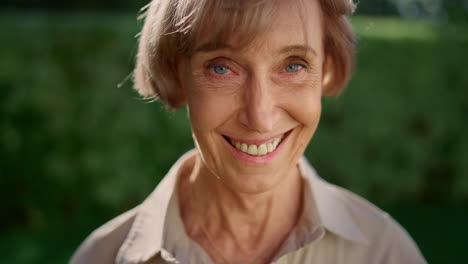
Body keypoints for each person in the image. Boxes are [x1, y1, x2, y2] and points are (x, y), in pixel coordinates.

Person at [70, 0, 427, 263]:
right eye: (222, 69)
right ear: (176, 74)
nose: (260, 117)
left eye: (293, 65)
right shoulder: (102, 257)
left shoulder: (385, 252)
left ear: (327, 70)